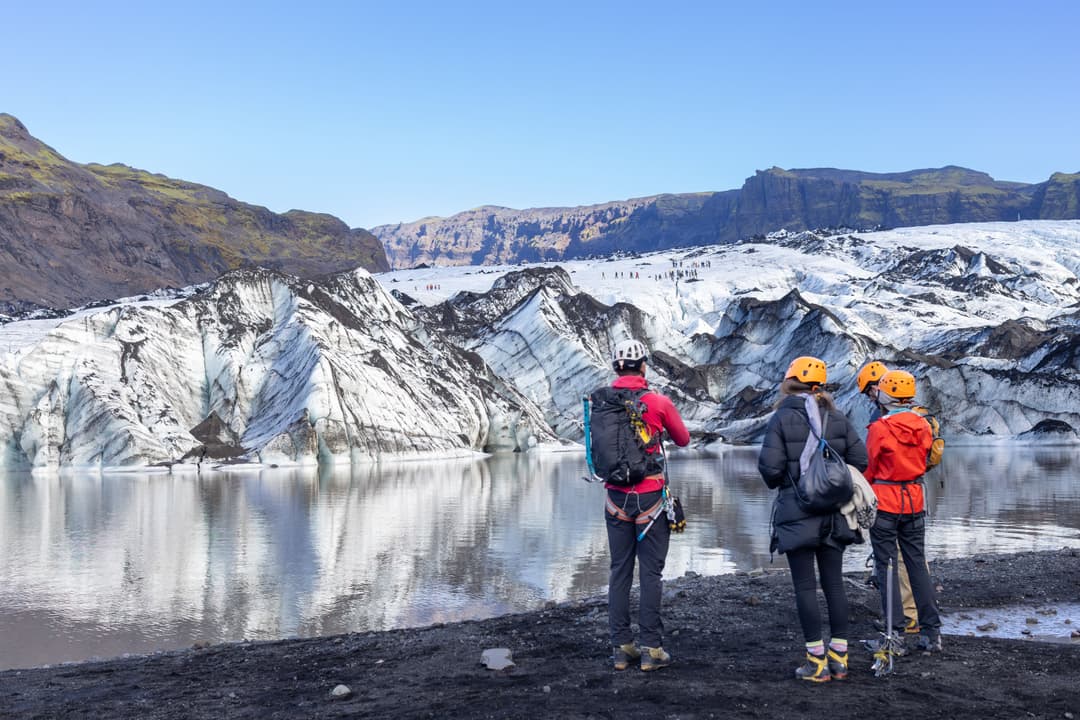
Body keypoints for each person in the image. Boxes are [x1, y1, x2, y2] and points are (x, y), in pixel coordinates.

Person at [758, 356, 869, 682]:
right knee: (834, 584)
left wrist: (793, 481)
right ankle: (840, 659)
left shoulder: (781, 418)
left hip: (797, 512)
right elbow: (860, 459)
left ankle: (816, 662)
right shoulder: (837, 417)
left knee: (805, 586)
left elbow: (770, 468)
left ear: (790, 383)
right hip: (835, 515)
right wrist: (831, 480)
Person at [597, 338, 690, 672]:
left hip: (615, 497)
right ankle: (652, 649)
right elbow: (683, 439)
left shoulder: (603, 404)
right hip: (651, 496)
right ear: (643, 366)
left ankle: (622, 649)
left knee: (619, 570)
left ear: (615, 367)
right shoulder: (657, 402)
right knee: (651, 573)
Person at [865, 370, 943, 652]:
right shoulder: (922, 425)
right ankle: (931, 633)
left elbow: (870, 467)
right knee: (917, 565)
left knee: (886, 568)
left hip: (886, 502)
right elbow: (923, 459)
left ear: (884, 395)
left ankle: (893, 634)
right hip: (915, 500)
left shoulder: (879, 428)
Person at [857, 361, 921, 634]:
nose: (871, 397)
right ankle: (918, 619)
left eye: (871, 392)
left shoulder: (883, 422)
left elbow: (872, 463)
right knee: (909, 560)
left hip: (890, 498)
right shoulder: (917, 418)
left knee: (896, 562)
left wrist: (864, 489)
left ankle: (904, 619)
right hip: (914, 497)